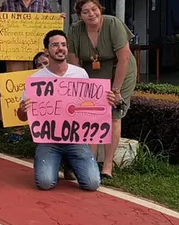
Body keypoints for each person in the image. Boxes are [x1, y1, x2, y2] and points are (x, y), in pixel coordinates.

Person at [17, 30, 115, 192]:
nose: (60, 48)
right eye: (55, 45)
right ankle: (55, 161)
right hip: (48, 140)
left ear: (67, 48)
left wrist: (108, 100)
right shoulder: (35, 80)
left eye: (63, 45)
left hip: (76, 138)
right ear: (47, 51)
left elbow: (90, 104)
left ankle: (69, 162)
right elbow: (21, 117)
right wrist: (22, 109)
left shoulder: (80, 73)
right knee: (45, 183)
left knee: (92, 183)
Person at [66, 0, 136, 180]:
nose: (91, 14)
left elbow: (124, 58)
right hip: (92, 74)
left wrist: (116, 90)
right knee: (92, 113)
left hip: (120, 72)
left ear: (100, 8)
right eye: (85, 12)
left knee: (113, 113)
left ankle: (107, 165)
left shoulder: (113, 24)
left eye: (94, 9)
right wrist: (84, 90)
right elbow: (74, 63)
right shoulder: (74, 30)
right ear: (79, 15)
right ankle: (90, 161)